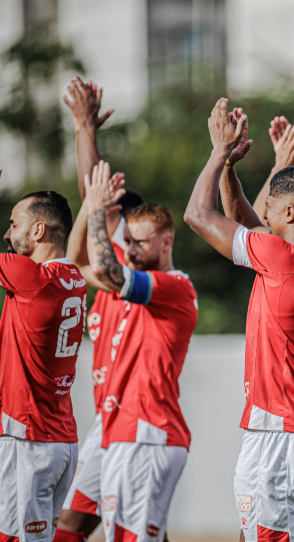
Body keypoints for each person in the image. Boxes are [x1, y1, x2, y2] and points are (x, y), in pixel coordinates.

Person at [184, 99, 294, 542]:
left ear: (290, 214)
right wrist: (233, 169)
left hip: (281, 432)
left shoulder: (282, 259)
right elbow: (245, 224)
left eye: (271, 207)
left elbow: (199, 216)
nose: (264, 215)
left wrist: (217, 153)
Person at [80, 161, 198, 542]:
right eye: (127, 241)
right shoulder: (142, 282)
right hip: (126, 430)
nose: (129, 249)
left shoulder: (171, 286)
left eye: (139, 243)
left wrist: (95, 208)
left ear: (167, 243)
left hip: (147, 433)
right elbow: (88, 262)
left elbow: (103, 267)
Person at [56, 78, 143, 542]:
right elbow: (92, 201)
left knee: (129, 531)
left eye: (107, 216)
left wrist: (84, 127)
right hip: (108, 419)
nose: (97, 218)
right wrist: (82, 129)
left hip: (134, 423)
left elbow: (93, 194)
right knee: (72, 526)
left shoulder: (129, 261)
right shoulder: (101, 268)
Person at [0, 189, 86, 542]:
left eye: (13, 224)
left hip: (29, 439)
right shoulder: (76, 279)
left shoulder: (30, 277)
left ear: (38, 231)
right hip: (61, 439)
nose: (7, 235)